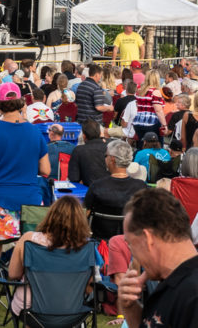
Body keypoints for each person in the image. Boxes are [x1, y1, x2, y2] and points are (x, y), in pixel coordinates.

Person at [0, 82, 50, 315]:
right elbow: (45, 170)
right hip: (29, 200)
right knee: (34, 253)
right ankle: (37, 304)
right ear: (22, 103)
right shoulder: (34, 131)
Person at [118, 188, 198, 328]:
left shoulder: (191, 295)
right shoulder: (173, 282)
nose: (133, 254)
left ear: (148, 239)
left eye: (130, 244)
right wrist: (130, 307)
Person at [6, 197, 93, 317]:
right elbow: (90, 284)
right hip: (72, 309)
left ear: (51, 215)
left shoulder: (29, 239)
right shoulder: (87, 247)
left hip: (31, 309)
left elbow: (13, 274)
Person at [84, 139, 149, 240]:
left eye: (106, 156)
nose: (104, 159)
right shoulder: (141, 188)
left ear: (112, 159)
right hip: (131, 242)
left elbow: (86, 215)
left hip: (101, 242)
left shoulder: (97, 186)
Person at [68, 120, 110, 186]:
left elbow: (74, 178)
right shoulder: (110, 147)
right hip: (110, 189)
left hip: (88, 191)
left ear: (84, 136)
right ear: (99, 133)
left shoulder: (78, 150)